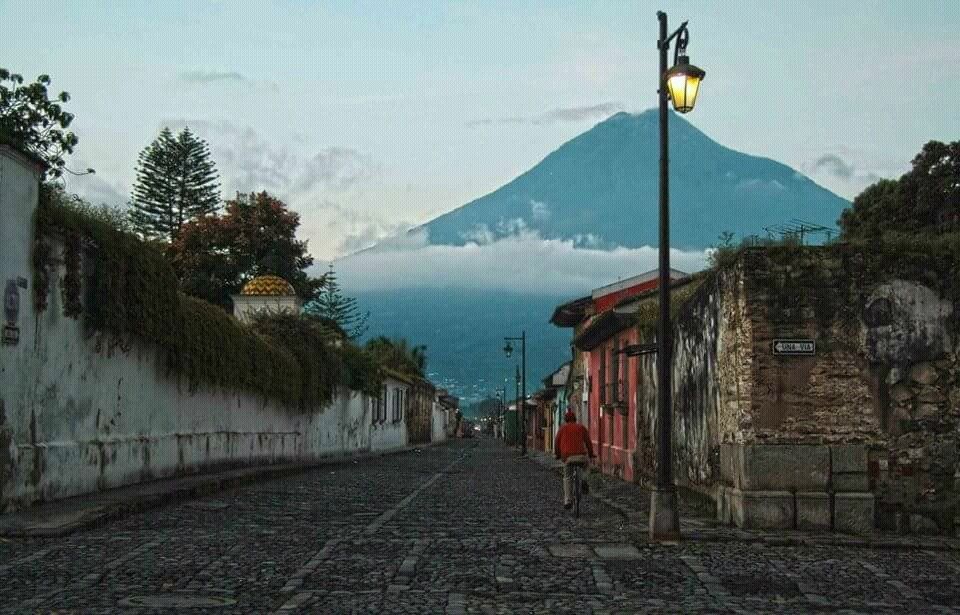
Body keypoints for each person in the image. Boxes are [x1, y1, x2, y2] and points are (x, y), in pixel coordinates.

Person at [554, 409, 595, 509]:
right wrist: (591, 454)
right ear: (575, 419)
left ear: (565, 420)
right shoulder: (581, 427)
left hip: (567, 458)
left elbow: (556, 443)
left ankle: (568, 500)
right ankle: (584, 480)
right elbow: (588, 442)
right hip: (581, 456)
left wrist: (558, 454)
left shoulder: (562, 429)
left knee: (567, 477)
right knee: (586, 466)